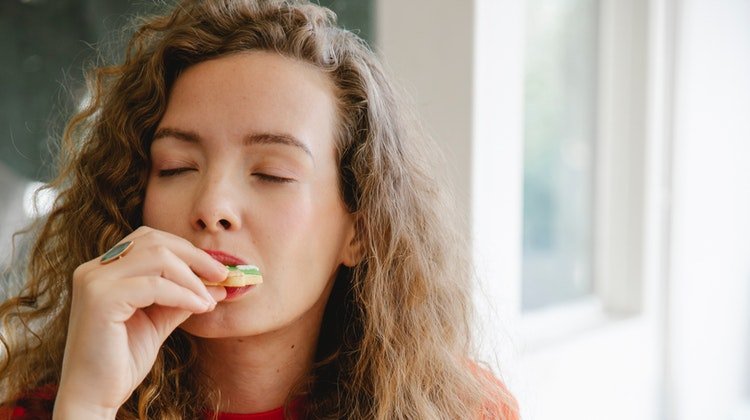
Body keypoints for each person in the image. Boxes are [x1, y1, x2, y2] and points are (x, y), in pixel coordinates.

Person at [0, 1, 519, 419]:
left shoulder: (465, 411)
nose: (212, 208)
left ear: (359, 230)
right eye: (177, 167)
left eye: (272, 174)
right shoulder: (47, 411)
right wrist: (89, 406)